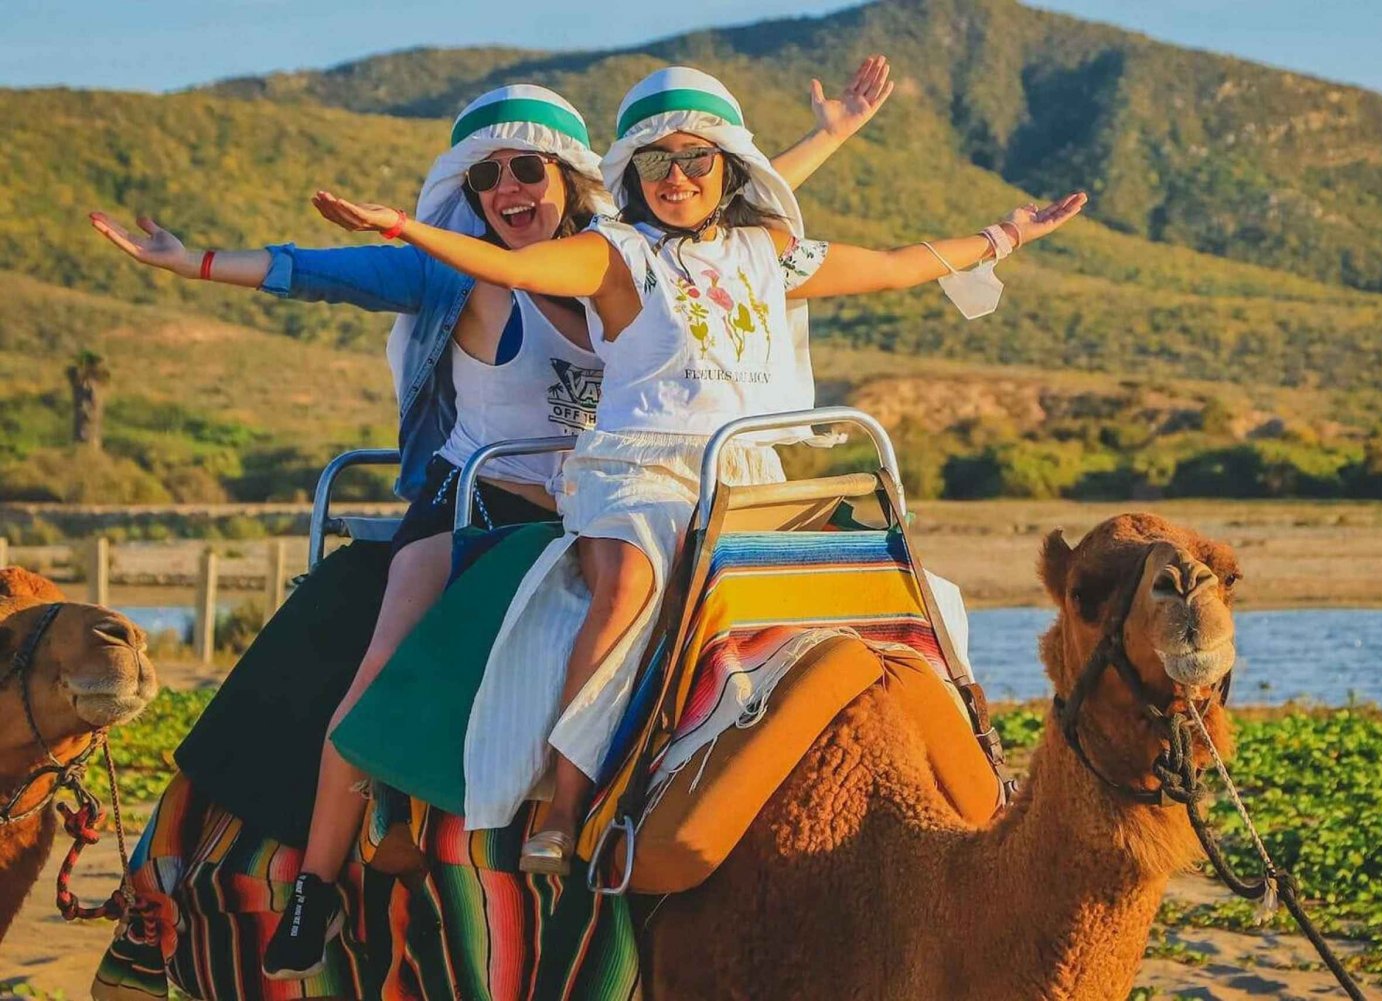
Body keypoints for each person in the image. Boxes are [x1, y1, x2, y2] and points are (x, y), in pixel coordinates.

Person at [91, 63, 894, 983]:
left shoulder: (627, 255)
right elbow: (320, 271)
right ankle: (317, 879)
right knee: (389, 652)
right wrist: (193, 260)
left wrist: (831, 135)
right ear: (469, 193)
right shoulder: (458, 269)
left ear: (571, 180)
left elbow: (714, 202)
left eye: (528, 171)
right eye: (489, 176)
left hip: (618, 492)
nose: (509, 189)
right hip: (480, 498)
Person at [316, 64, 1087, 879]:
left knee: (914, 585)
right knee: (626, 584)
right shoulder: (614, 254)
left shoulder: (769, 251)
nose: (676, 176)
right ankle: (564, 806)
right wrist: (406, 226)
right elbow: (512, 268)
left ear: (726, 167)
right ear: (632, 177)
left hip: (748, 472)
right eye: (655, 162)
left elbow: (897, 264)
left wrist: (1004, 235)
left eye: (694, 159)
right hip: (641, 470)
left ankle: (972, 765)